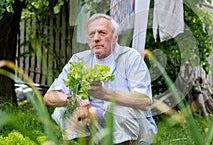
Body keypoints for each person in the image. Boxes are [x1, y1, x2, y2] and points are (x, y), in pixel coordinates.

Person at [43, 13, 157, 144]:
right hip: (96, 129)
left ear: (115, 37)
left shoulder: (130, 57)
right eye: (92, 34)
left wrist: (105, 94)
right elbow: (49, 97)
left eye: (102, 33)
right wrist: (75, 101)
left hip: (136, 132)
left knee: (116, 108)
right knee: (63, 110)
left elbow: (145, 101)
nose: (96, 38)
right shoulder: (78, 60)